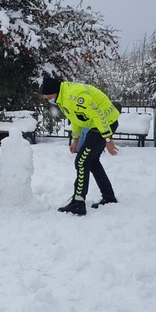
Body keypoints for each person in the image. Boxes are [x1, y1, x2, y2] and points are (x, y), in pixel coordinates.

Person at [42, 78, 120, 216]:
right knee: (92, 161)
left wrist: (108, 138)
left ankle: (78, 202)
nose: (49, 101)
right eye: (46, 98)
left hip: (104, 123)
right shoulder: (62, 97)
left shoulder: (74, 96)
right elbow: (75, 117)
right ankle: (109, 197)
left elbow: (97, 114)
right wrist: (76, 139)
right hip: (96, 125)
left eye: (49, 97)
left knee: (81, 161)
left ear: (56, 92)